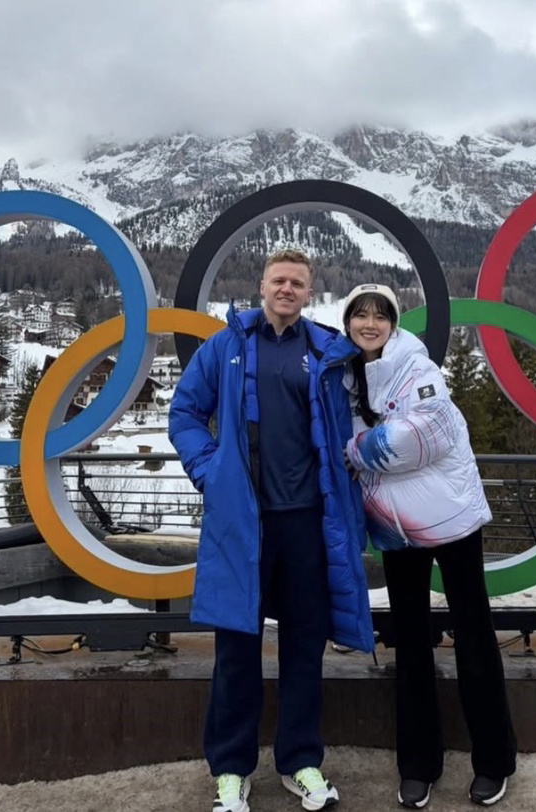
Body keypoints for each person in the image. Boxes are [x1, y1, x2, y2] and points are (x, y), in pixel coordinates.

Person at [169, 249, 375, 812]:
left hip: (308, 522)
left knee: (305, 648)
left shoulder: (326, 352)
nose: (287, 288)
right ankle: (232, 771)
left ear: (310, 293)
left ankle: (301, 761)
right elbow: (184, 415)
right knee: (236, 647)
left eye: (298, 282)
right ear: (261, 286)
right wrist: (211, 471)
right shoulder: (227, 345)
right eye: (279, 280)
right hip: (243, 524)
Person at [340, 283, 517, 809]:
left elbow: (425, 435)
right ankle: (418, 765)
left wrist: (357, 449)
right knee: (411, 643)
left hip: (452, 520)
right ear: (348, 322)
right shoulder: (345, 378)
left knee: (475, 636)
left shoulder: (418, 367)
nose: (369, 323)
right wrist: (361, 449)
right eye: (359, 314)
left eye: (379, 315)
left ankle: (494, 760)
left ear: (394, 323)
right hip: (396, 530)